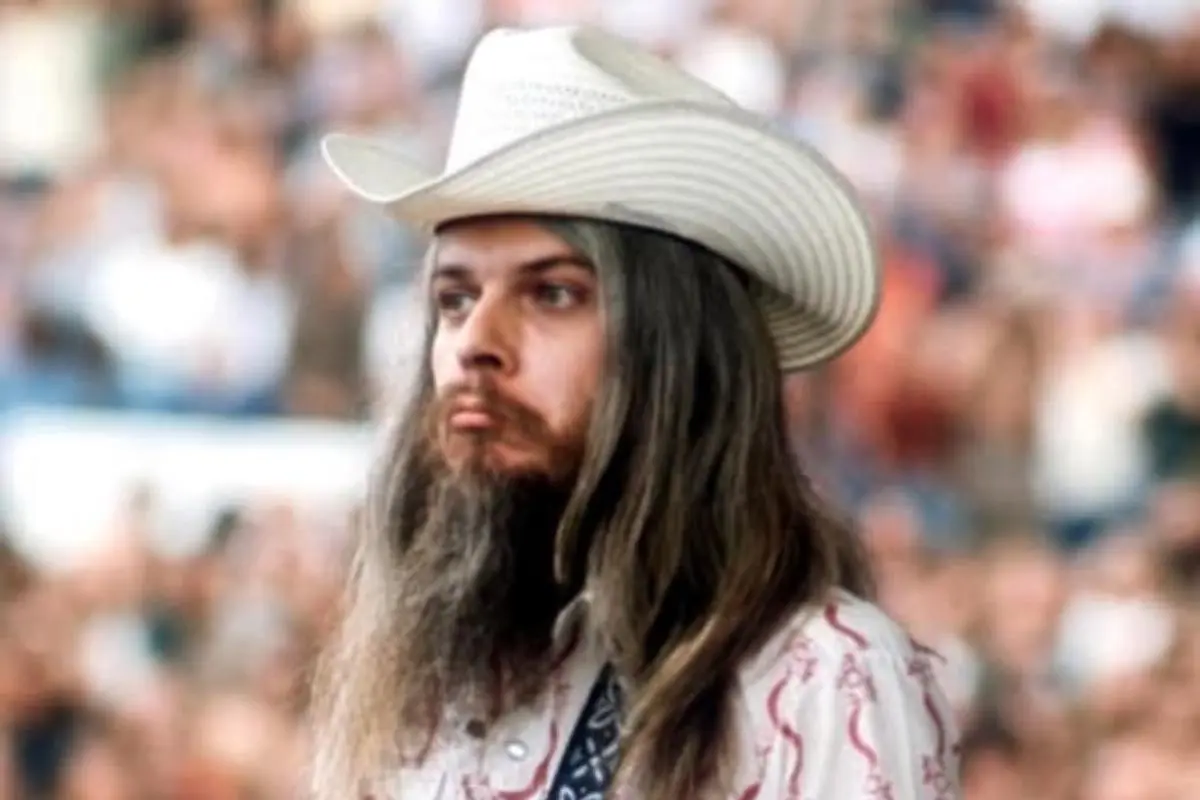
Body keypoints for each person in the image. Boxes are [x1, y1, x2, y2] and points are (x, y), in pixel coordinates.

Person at [310, 25, 962, 800]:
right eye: (454, 300)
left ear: (675, 355)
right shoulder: (426, 693)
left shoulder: (823, 676)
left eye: (553, 293)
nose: (475, 343)